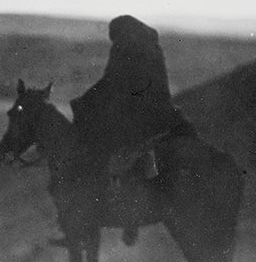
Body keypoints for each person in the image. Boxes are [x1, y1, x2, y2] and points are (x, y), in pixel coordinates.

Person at [69, 14, 195, 245]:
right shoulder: (149, 44)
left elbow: (112, 80)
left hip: (138, 111)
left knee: (104, 140)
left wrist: (85, 100)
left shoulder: (125, 47)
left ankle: (113, 205)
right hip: (157, 108)